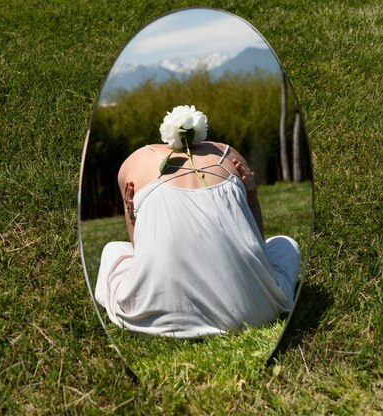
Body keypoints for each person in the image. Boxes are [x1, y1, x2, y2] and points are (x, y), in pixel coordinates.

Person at [94, 105, 300, 338]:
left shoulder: (136, 161)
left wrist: (133, 217)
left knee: (113, 250)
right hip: (253, 310)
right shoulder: (227, 154)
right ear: (200, 132)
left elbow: (138, 251)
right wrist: (251, 196)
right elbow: (258, 245)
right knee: (285, 244)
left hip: (156, 316)